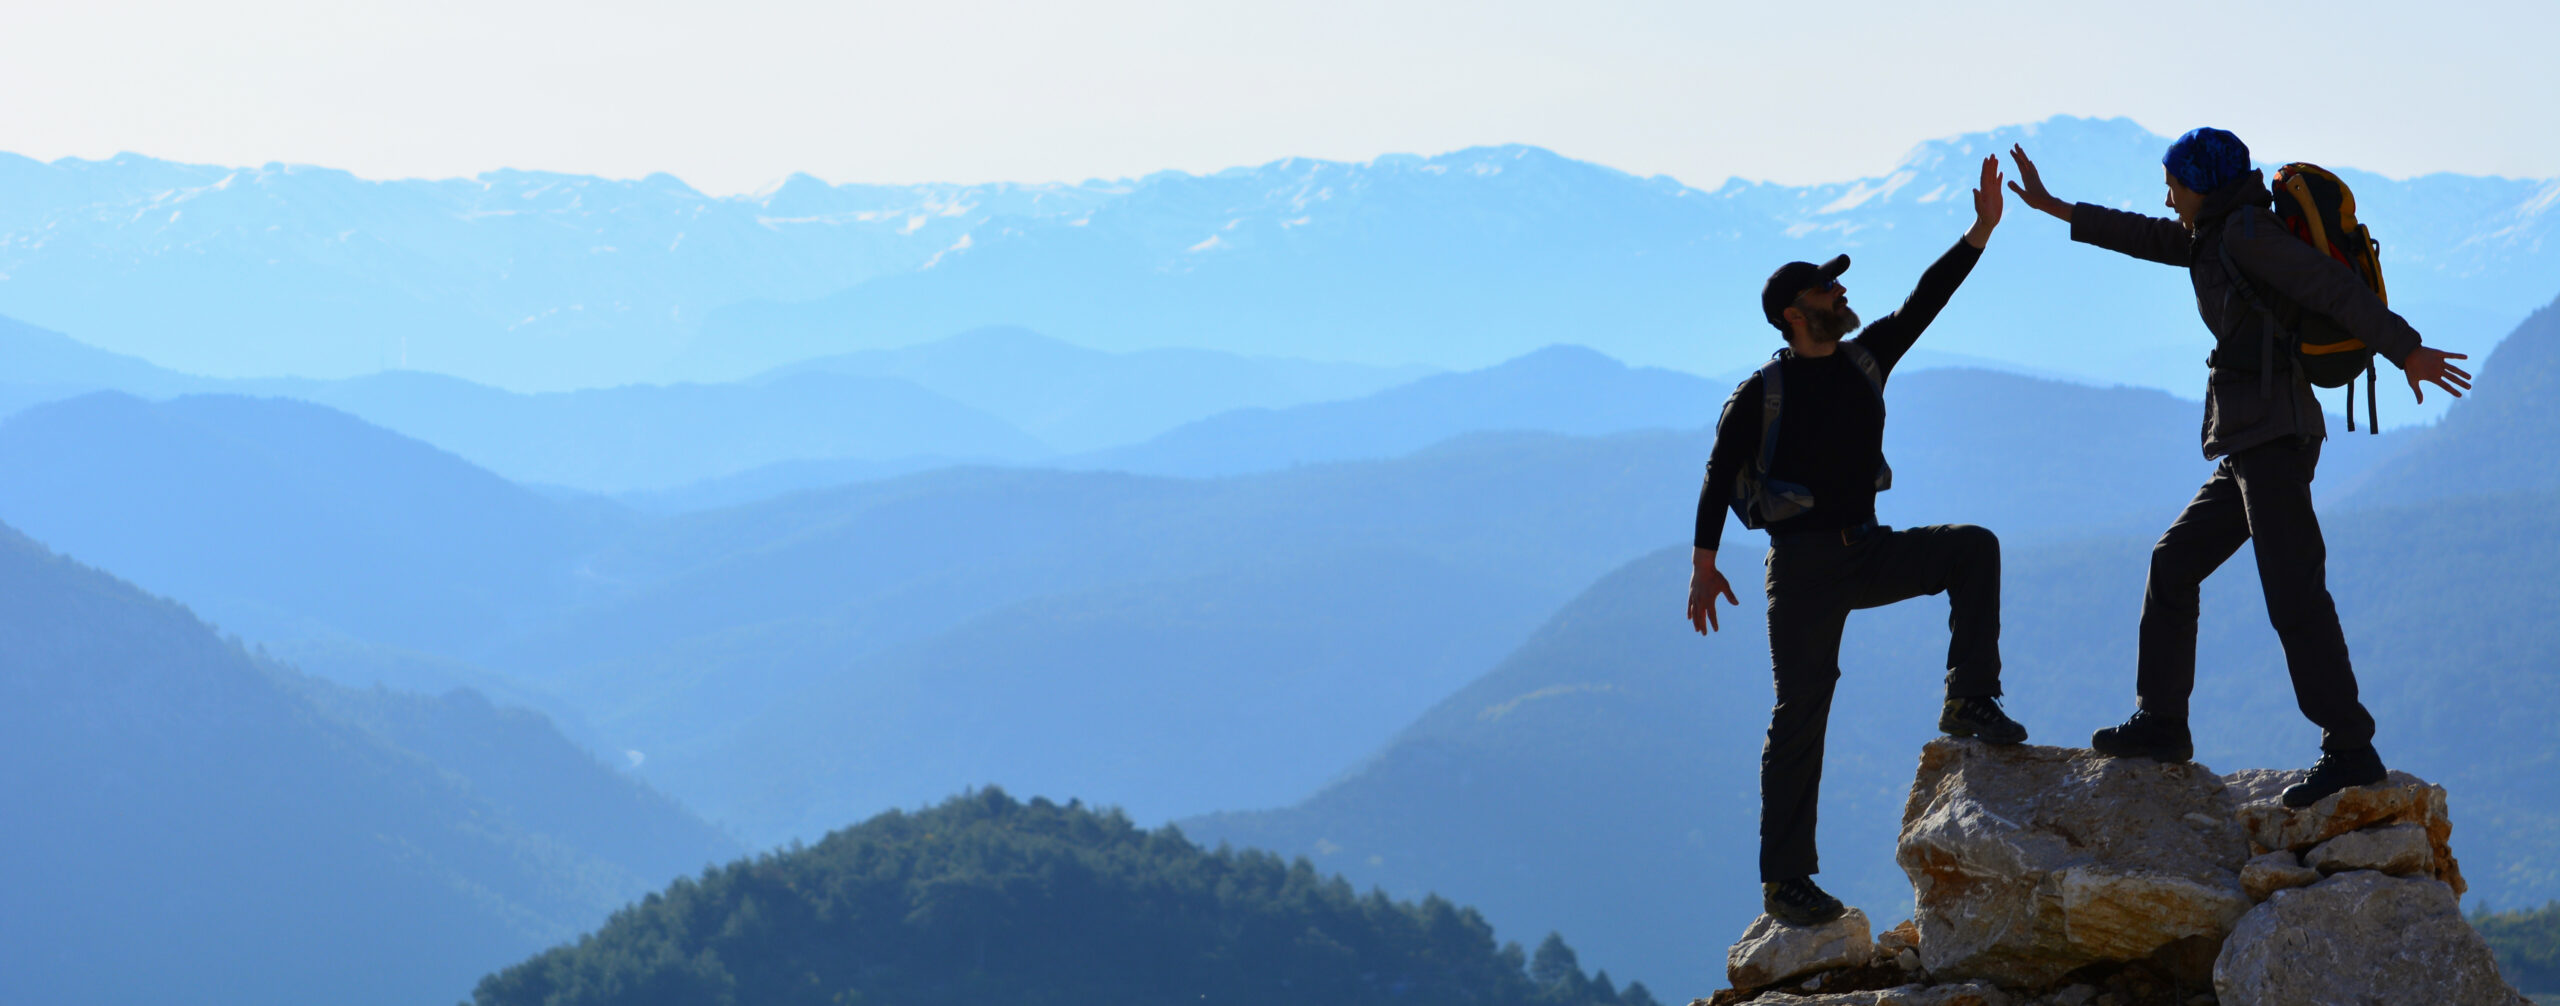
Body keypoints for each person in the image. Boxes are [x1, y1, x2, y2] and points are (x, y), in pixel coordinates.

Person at [2004, 129, 2472, 808]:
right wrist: (2057, 207)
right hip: (2249, 441)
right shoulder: (2215, 234)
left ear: (2203, 183)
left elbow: (2334, 288)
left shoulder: (2249, 235)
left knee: (2294, 594)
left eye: (2175, 186)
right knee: (2174, 562)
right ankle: (2161, 722)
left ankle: (2351, 746)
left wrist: (2408, 351)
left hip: (2274, 438)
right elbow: (2146, 236)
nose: (2167, 199)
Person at [1688, 155, 2027, 928]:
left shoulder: (1866, 358)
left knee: (1973, 548)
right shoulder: (1760, 393)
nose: (1842, 293)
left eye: (1838, 286)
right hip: (1802, 569)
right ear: (1792, 314)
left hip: (1865, 549)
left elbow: (1925, 300)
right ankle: (1787, 883)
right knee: (1800, 714)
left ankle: (1970, 700)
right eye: (1826, 290)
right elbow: (1716, 475)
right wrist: (1704, 564)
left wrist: (1979, 233)